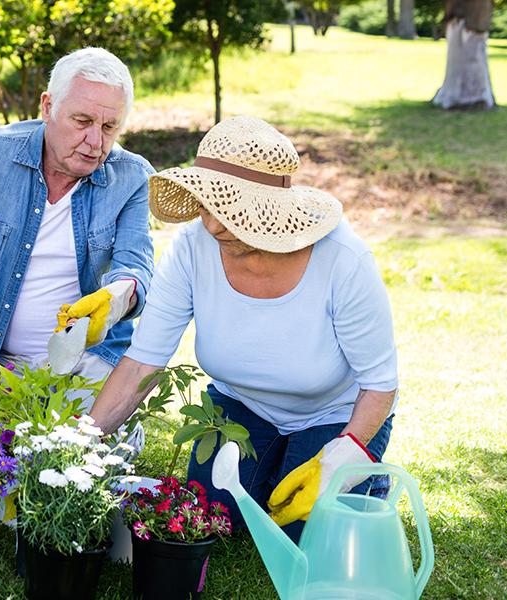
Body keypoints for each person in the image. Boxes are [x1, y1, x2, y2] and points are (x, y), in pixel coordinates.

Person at [86, 116, 398, 539]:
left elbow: (380, 385)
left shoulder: (342, 259)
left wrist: (345, 455)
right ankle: (273, 473)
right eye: (208, 205)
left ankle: (367, 479)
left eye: (231, 211)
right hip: (241, 407)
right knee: (213, 519)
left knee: (310, 532)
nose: (213, 226)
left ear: (274, 210)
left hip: (335, 416)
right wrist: (79, 446)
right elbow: (142, 363)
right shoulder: (193, 247)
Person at [0, 47, 154, 413]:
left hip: (90, 362)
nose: (95, 142)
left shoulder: (133, 176)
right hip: (0, 359)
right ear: (47, 107)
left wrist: (116, 297)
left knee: (72, 460)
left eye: (109, 127)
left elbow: (134, 265)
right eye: (82, 121)